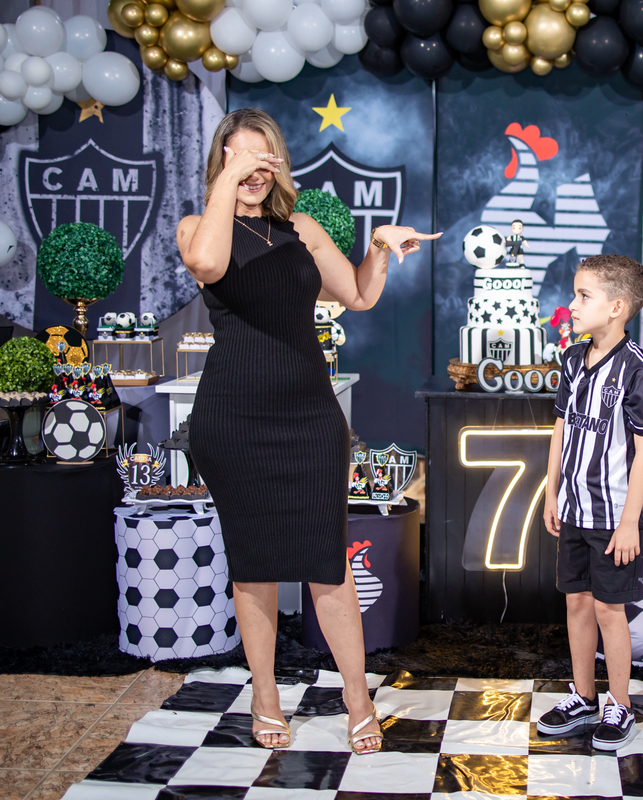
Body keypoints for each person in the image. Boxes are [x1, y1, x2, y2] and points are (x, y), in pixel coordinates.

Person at [175, 108, 439, 754]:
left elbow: (358, 295)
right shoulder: (198, 227)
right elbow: (207, 264)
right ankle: (265, 696)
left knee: (329, 563)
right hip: (233, 418)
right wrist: (228, 181)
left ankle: (357, 699)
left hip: (310, 418)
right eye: (239, 156)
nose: (254, 170)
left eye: (264, 158)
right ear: (220, 161)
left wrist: (379, 248)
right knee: (254, 567)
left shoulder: (301, 227)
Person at [539, 254, 643, 751]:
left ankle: (620, 704)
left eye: (583, 296)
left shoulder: (638, 370)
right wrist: (552, 490)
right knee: (577, 603)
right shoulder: (572, 359)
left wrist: (630, 522)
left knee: (611, 609)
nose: (572, 305)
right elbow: (561, 428)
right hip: (574, 508)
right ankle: (584, 696)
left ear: (617, 307)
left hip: (614, 518)